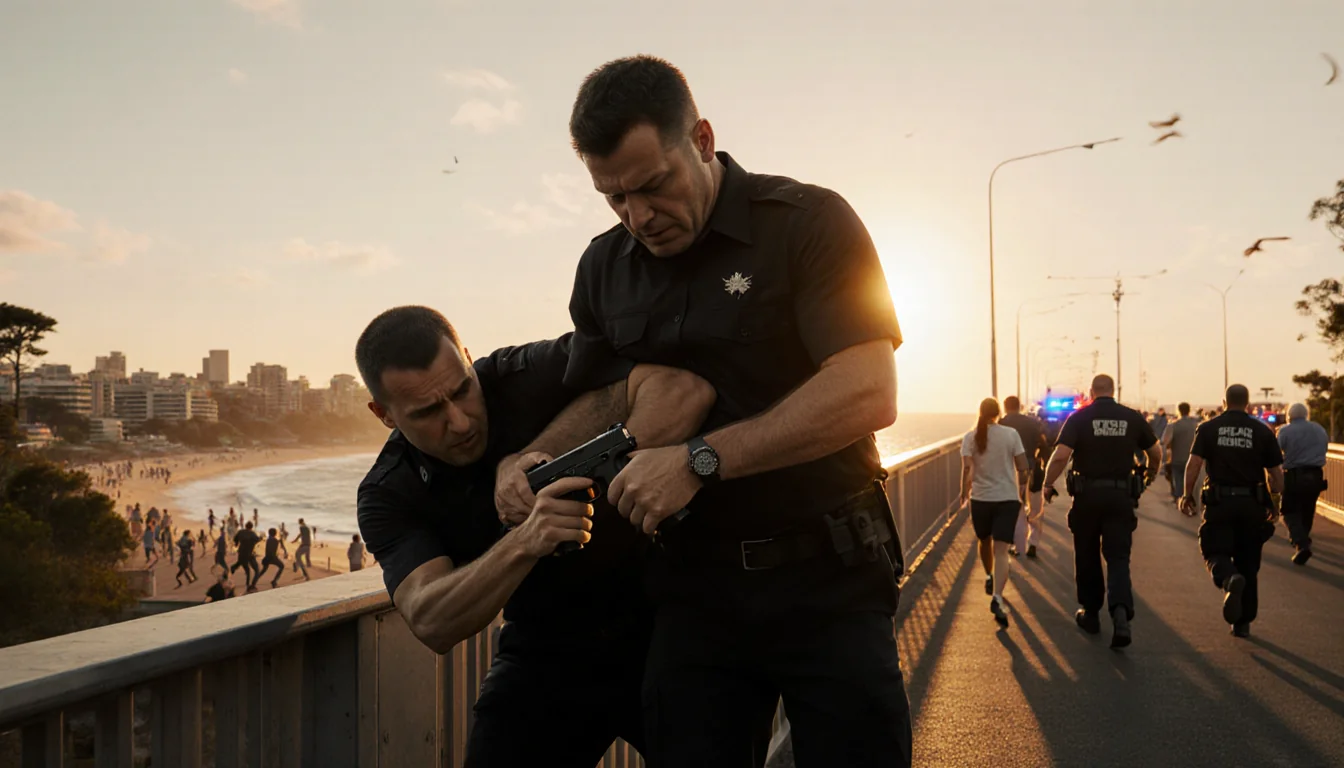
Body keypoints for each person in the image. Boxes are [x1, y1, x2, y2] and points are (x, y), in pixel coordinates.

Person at [563, 56, 908, 766]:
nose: (639, 217)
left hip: (829, 578)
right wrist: (528, 457)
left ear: (703, 140)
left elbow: (869, 388)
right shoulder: (604, 267)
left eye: (654, 186)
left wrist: (700, 461)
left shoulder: (809, 222)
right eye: (614, 199)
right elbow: (596, 401)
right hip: (693, 592)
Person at [355, 306, 714, 767]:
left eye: (463, 390)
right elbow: (431, 619)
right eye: (428, 412)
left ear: (468, 357)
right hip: (548, 645)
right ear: (382, 413)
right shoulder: (390, 489)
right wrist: (525, 540)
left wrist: (538, 462)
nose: (460, 422)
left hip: (667, 622)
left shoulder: (523, 372)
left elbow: (683, 389)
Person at [1042, 374, 1159, 649]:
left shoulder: (1080, 419)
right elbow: (1155, 451)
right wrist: (1150, 475)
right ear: (1113, 391)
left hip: (1087, 498)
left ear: (1092, 392)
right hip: (1120, 497)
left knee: (1087, 554)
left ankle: (1091, 614)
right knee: (1118, 557)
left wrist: (1047, 484)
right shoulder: (1131, 417)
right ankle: (1120, 613)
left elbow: (1060, 456)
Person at [1179, 385, 1285, 638]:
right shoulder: (1262, 431)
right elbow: (1276, 474)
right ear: (1247, 403)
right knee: (1249, 562)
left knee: (1214, 550)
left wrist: (1187, 495)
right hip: (1252, 505)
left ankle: (1227, 578)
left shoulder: (1208, 428)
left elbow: (1194, 464)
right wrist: (1276, 503)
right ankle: (1242, 623)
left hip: (1220, 503)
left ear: (1224, 401)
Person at [959, 398, 1029, 627]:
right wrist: (1022, 488)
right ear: (998, 414)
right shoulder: (1010, 435)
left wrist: (963, 492)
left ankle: (989, 575)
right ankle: (998, 597)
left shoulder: (970, 437)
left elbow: (968, 470)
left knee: (984, 540)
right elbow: (1023, 467)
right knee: (1002, 550)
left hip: (980, 499)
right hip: (1007, 498)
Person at [1276, 402, 1328, 565]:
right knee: (1308, 509)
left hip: (1294, 475)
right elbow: (1324, 449)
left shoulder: (1284, 431)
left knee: (1288, 511)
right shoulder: (1319, 429)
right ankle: (1304, 540)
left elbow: (1275, 454)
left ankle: (1301, 543)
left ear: (1289, 416)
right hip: (1316, 475)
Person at [999, 395, 1046, 558]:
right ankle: (1033, 543)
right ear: (1019, 407)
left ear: (1005, 407)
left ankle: (1017, 546)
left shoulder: (1000, 424)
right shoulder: (1032, 423)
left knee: (1015, 510)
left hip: (1010, 472)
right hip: (1031, 469)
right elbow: (1043, 444)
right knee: (1034, 508)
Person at [1161, 402, 1199, 503]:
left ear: (1179, 411)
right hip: (1193, 459)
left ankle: (1180, 501)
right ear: (1189, 410)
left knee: (1178, 481)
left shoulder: (1173, 425)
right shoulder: (1196, 425)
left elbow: (1164, 441)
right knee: (1192, 480)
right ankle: (1190, 499)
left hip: (1177, 459)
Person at [230, 521, 262, 592]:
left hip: (241, 553)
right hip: (249, 554)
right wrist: (261, 537)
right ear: (252, 527)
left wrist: (236, 543)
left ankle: (233, 568)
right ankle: (252, 586)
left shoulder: (240, 532)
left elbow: (235, 539)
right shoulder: (252, 534)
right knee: (256, 571)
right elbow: (257, 540)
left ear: (245, 526)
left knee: (243, 565)